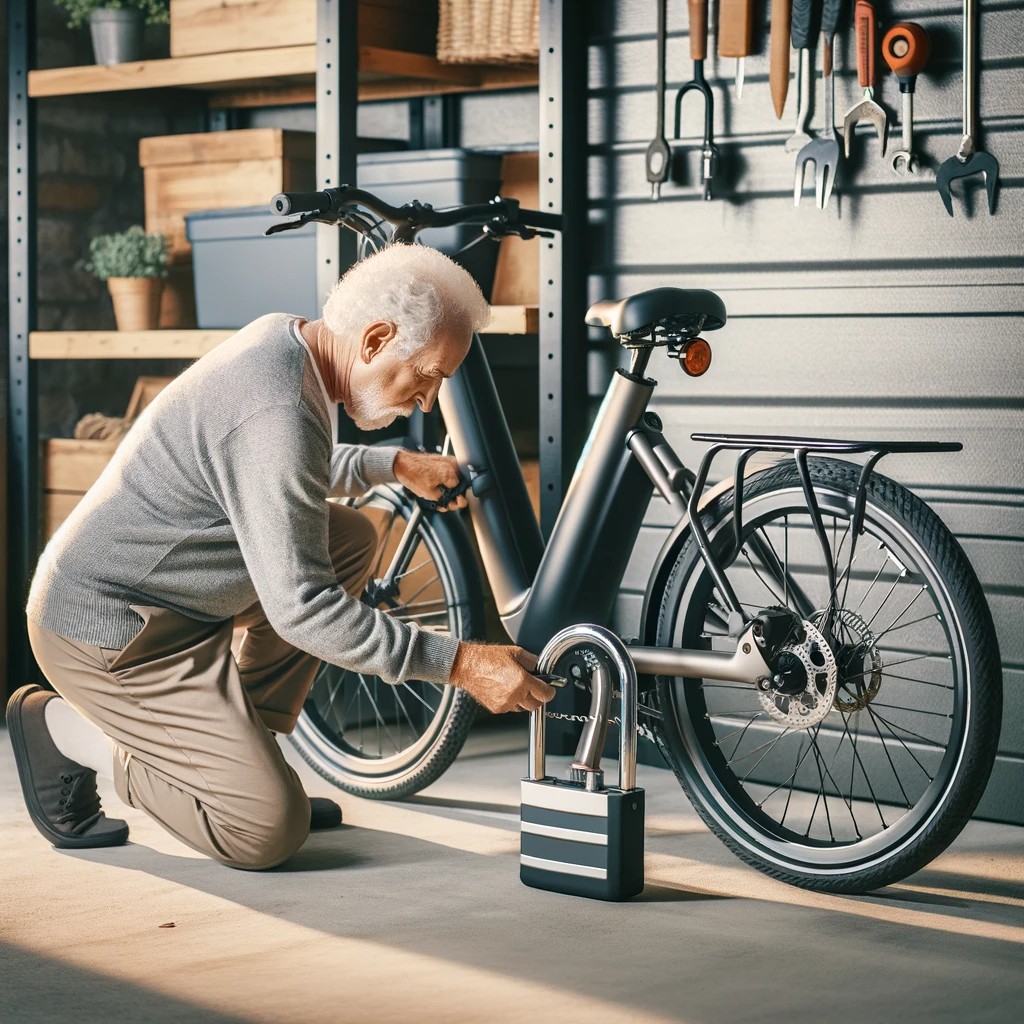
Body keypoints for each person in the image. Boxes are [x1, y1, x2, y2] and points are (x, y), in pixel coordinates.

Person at [8, 243, 556, 870]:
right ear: (375, 340)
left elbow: (275, 474)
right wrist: (461, 663)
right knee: (265, 831)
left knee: (344, 536)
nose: (428, 400)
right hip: (110, 633)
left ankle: (250, 757)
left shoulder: (291, 345)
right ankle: (67, 734)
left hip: (171, 598)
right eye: (427, 375)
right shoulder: (277, 404)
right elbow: (302, 609)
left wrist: (393, 464)